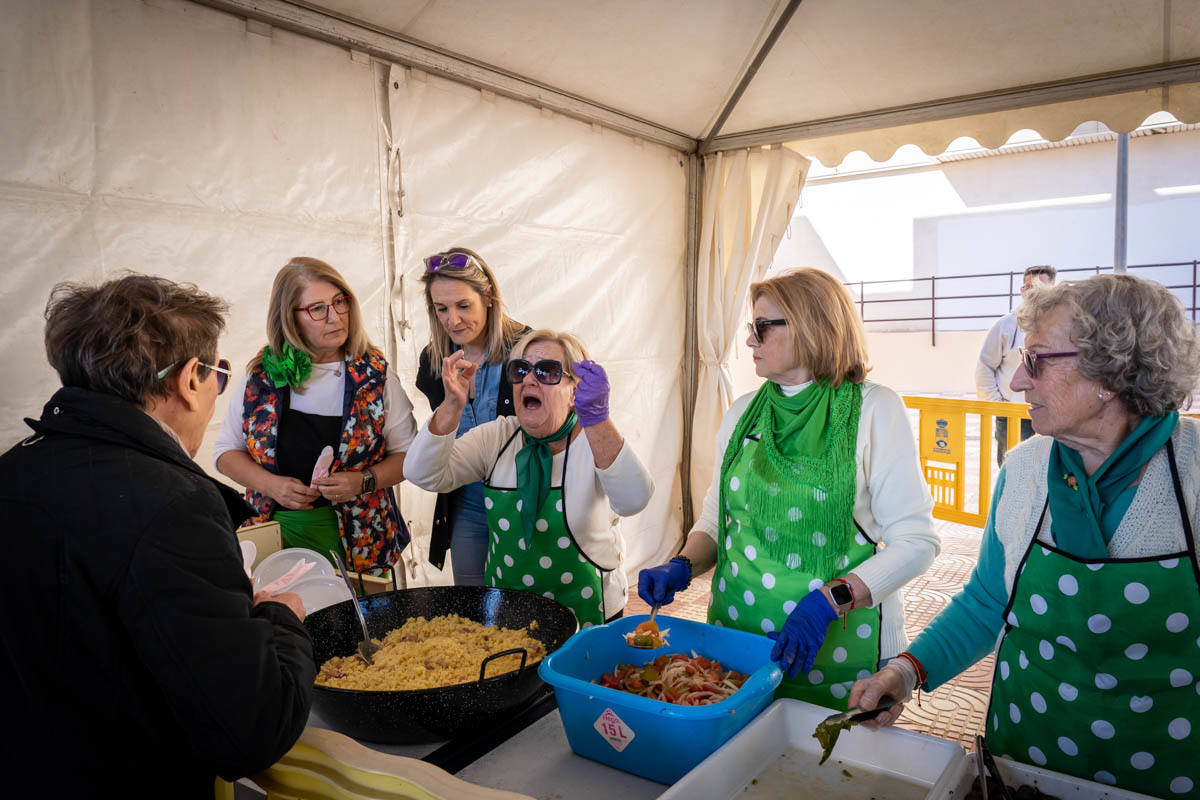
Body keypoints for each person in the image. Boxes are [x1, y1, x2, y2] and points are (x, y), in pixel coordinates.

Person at [851, 274, 1200, 798]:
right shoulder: (1024, 470)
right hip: (1025, 756)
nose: (1016, 382)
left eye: (1037, 360)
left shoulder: (1193, 475)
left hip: (1167, 769)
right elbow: (988, 601)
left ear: (1114, 370)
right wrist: (905, 671)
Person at [0, 274, 314, 798]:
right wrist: (282, 618)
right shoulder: (173, 505)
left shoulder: (13, 470)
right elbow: (252, 731)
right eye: (220, 374)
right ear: (191, 379)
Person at [639, 268, 939, 708]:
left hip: (841, 655)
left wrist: (828, 602)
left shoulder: (874, 410)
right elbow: (715, 520)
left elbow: (916, 542)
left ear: (812, 326)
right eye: (751, 328)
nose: (748, 342)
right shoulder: (743, 413)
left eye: (761, 328)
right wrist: (683, 564)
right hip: (736, 647)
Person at [404, 329, 653, 626]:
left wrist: (599, 419)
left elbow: (634, 499)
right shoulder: (498, 437)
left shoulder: (594, 439)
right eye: (520, 370)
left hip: (589, 613)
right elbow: (421, 473)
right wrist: (451, 406)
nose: (530, 380)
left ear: (575, 391)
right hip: (509, 616)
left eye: (547, 371)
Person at [215, 257, 417, 575]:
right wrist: (271, 485)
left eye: (340, 302)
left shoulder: (375, 377)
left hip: (361, 543)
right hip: (275, 540)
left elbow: (409, 456)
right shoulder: (260, 377)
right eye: (318, 309)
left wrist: (363, 481)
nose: (335, 317)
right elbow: (225, 453)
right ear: (289, 318)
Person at [414, 247, 531, 585]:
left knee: (525, 604)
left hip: (524, 501)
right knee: (472, 606)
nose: (452, 320)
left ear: (489, 297)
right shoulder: (434, 360)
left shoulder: (526, 349)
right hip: (467, 504)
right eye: (441, 309)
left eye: (463, 306)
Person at [976, 265, 1057, 465]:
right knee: (1011, 469)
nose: (1034, 291)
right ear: (1022, 290)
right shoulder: (1006, 325)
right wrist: (999, 404)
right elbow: (984, 366)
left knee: (1044, 469)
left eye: (1041, 286)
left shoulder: (1061, 326)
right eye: (1029, 286)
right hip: (1013, 417)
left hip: (1050, 413)